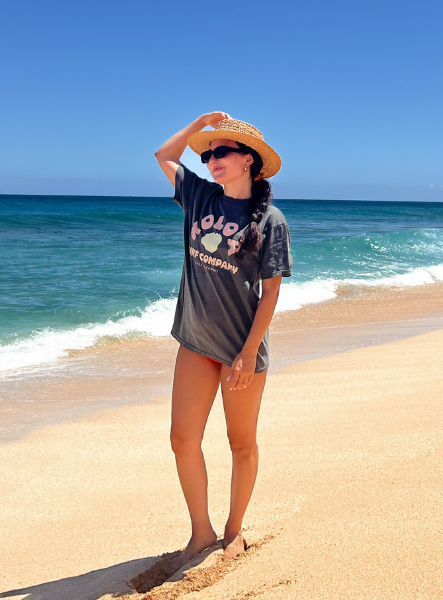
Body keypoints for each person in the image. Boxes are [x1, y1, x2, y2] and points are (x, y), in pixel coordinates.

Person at [152, 112, 291, 562]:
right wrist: (201, 123)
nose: (212, 159)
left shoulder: (271, 221)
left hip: (240, 350)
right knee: (182, 439)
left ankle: (234, 530)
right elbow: (164, 155)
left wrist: (248, 353)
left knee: (241, 442)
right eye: (208, 154)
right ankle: (201, 532)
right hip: (195, 340)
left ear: (248, 160)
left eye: (222, 151)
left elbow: (271, 293)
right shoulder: (199, 196)